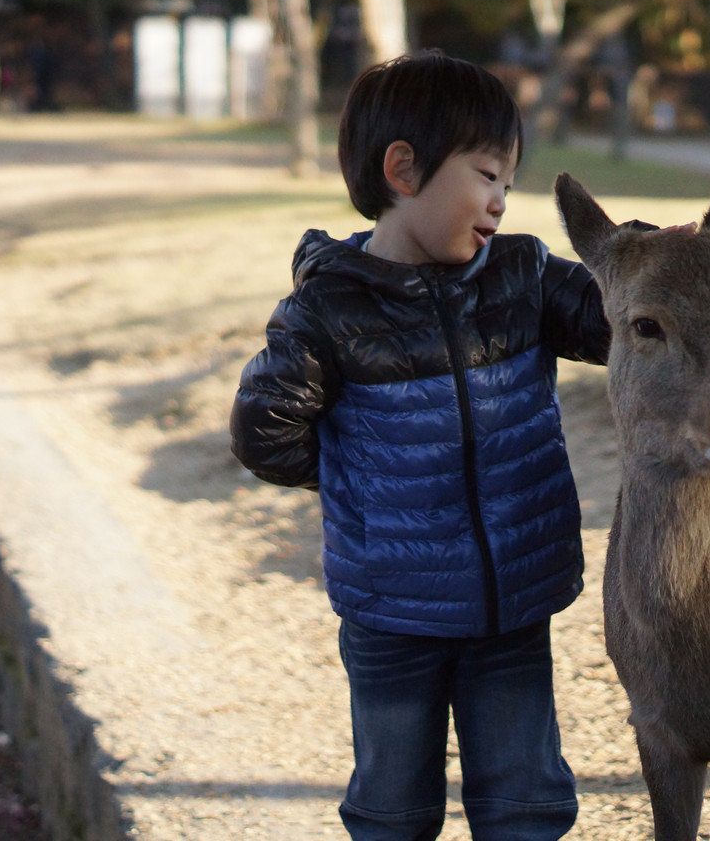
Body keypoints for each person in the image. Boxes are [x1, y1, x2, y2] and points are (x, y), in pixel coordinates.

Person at [231, 52, 610, 841]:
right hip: (393, 611)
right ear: (403, 170)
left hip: (513, 599)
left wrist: (651, 259)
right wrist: (363, 481)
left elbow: (618, 319)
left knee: (526, 802)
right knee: (393, 806)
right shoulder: (328, 309)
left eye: (509, 183)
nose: (501, 200)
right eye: (487, 175)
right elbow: (264, 431)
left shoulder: (523, 277)